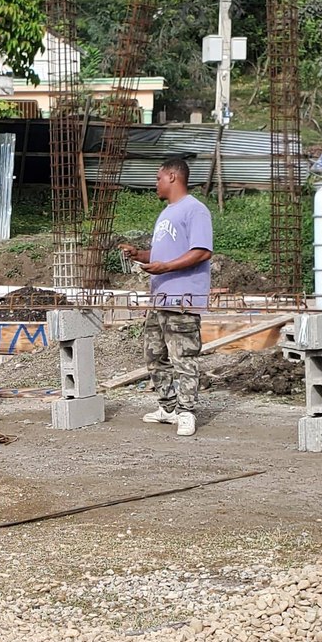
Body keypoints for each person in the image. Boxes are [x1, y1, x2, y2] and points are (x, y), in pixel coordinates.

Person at [116, 158, 213, 437]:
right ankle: (168, 407)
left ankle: (187, 411)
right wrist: (140, 255)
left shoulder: (195, 210)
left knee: (184, 356)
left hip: (182, 299)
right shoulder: (167, 212)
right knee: (155, 355)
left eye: (158, 178)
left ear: (172, 176)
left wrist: (165, 267)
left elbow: (202, 251)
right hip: (160, 298)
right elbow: (162, 255)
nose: (155, 184)